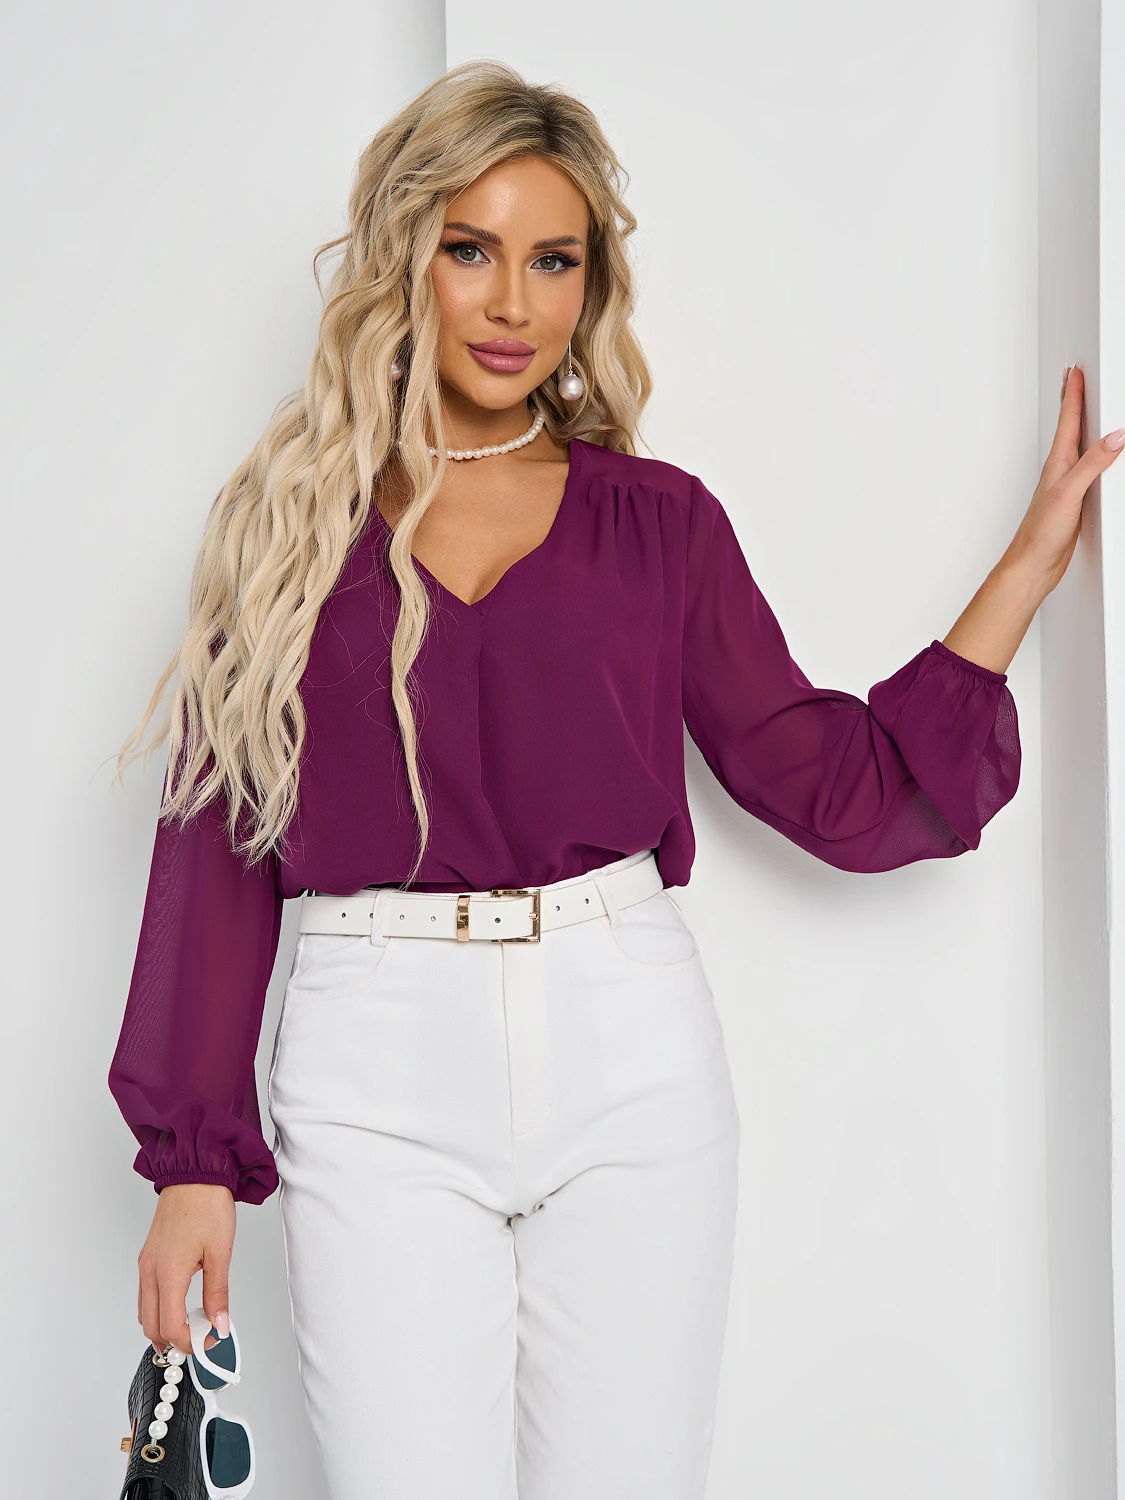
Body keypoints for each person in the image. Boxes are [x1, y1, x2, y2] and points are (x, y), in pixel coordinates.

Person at [107, 59, 1121, 1500]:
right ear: (405, 258)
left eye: (554, 260)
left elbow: (832, 782)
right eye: (471, 250)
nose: (513, 303)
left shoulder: (658, 526)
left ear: (591, 286)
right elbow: (217, 850)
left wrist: (1027, 565)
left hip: (628, 1050)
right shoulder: (289, 532)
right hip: (369, 1067)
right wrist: (189, 1163)